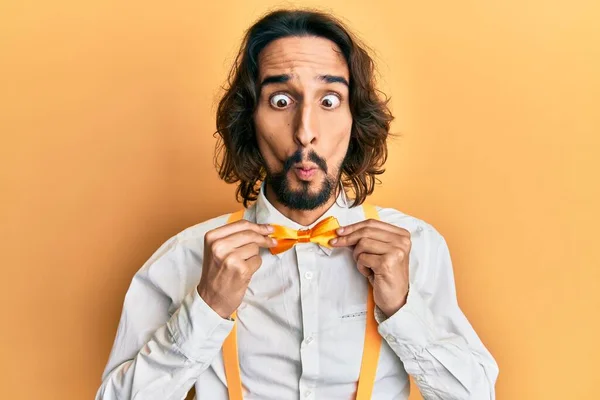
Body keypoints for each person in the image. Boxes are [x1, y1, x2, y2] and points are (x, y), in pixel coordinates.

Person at [96, 8, 498, 400]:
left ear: (355, 119)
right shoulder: (186, 257)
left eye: (329, 101)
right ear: (248, 119)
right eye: (281, 101)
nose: (306, 133)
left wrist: (403, 309)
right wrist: (207, 307)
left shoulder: (417, 247)